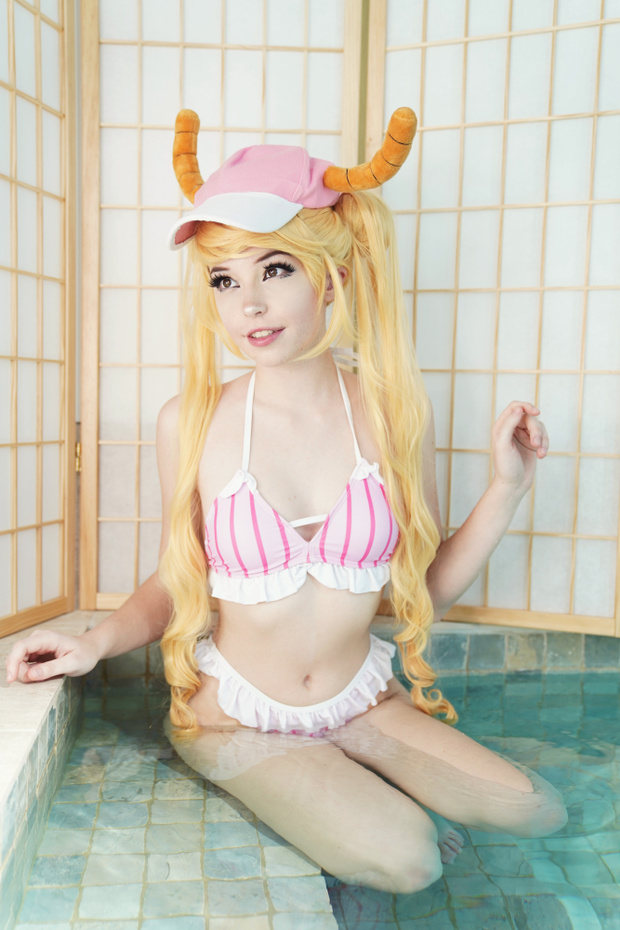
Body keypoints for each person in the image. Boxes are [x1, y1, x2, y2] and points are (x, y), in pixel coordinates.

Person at [5, 108, 566, 893]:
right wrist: (94, 644)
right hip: (234, 715)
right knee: (410, 859)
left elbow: (423, 590)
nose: (248, 306)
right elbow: (176, 579)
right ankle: (320, 788)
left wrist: (508, 487)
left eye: (275, 270)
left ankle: (345, 772)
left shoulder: (394, 413)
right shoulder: (191, 421)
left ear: (332, 276)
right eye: (224, 280)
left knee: (539, 811)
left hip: (361, 700)